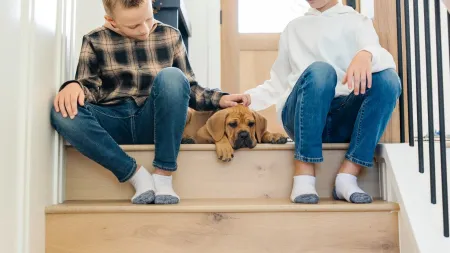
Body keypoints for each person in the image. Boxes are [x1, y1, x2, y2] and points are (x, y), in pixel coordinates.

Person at [50, 0, 249, 205]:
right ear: (112, 21)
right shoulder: (94, 40)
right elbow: (89, 89)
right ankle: (136, 175)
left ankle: (163, 176)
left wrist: (220, 98)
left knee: (173, 76)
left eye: (148, 18)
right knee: (61, 113)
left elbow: (188, 89)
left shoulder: (170, 35)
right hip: (113, 120)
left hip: (152, 121)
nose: (144, 29)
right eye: (133, 26)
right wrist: (74, 86)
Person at [243, 0, 401, 204]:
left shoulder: (356, 21)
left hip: (342, 117)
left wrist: (366, 54)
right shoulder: (294, 28)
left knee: (388, 80)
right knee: (321, 71)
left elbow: (385, 60)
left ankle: (348, 176)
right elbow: (278, 83)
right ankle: (304, 175)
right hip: (300, 116)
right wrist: (249, 99)